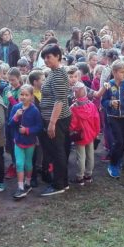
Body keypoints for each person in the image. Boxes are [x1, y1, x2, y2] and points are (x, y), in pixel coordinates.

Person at [40, 44, 71, 196]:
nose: (46, 60)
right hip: (56, 118)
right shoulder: (55, 72)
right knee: (59, 150)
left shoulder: (58, 74)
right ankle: (62, 181)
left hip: (57, 120)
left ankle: (59, 184)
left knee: (58, 150)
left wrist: (52, 123)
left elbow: (59, 100)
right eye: (44, 58)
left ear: (58, 56)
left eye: (49, 57)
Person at [9, 85, 43, 199]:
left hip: (30, 142)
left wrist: (27, 130)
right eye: (21, 94)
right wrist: (16, 117)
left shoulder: (34, 110)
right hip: (18, 141)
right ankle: (20, 187)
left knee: (28, 163)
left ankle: (28, 183)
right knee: (19, 163)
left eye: (26, 95)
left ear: (31, 96)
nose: (23, 97)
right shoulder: (15, 108)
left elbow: (39, 126)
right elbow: (10, 124)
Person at [101, 60, 124, 178]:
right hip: (113, 117)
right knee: (118, 141)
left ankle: (118, 158)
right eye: (122, 72)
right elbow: (103, 101)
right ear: (114, 72)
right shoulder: (108, 84)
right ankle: (113, 164)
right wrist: (110, 103)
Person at [69, 82, 99, 185]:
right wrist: (96, 132)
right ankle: (88, 175)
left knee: (80, 157)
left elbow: (72, 125)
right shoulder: (91, 105)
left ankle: (80, 177)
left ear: (74, 93)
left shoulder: (73, 108)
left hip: (80, 136)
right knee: (90, 155)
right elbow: (97, 120)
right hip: (90, 134)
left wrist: (70, 130)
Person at [2, 67, 22, 179]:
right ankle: (14, 163)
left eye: (13, 80)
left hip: (17, 121)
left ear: (18, 78)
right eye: (9, 80)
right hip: (7, 119)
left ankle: (17, 165)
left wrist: (10, 98)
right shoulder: (7, 88)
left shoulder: (20, 90)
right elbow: (4, 103)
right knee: (9, 143)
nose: (11, 82)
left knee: (16, 143)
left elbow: (19, 107)